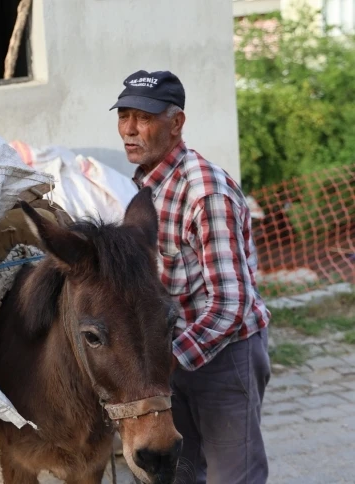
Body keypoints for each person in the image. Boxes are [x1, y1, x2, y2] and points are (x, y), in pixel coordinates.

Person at [110, 70, 272, 484]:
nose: (129, 130)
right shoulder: (145, 187)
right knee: (174, 474)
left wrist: (166, 362)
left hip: (224, 355)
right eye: (123, 115)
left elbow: (230, 304)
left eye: (143, 118)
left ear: (176, 123)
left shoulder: (205, 193)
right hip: (171, 360)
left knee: (234, 477)